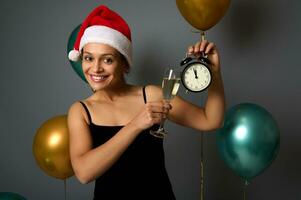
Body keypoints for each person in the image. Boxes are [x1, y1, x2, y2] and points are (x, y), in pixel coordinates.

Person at [67, 5, 225, 200]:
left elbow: (210, 120)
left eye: (107, 60)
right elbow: (84, 173)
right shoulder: (81, 110)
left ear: (124, 64)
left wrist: (214, 73)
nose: (95, 68)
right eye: (89, 58)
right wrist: (136, 124)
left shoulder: (150, 95)